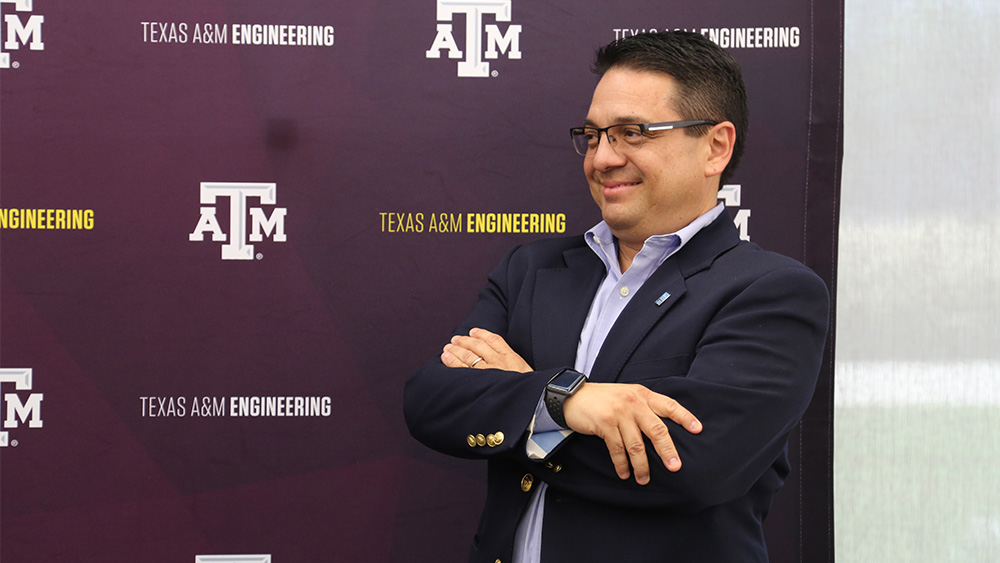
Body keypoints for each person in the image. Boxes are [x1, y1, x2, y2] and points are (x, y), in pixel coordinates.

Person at [404, 30, 829, 563]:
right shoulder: (532, 270)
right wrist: (572, 400)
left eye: (633, 133)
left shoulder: (771, 293)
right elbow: (433, 401)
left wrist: (523, 402)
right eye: (594, 134)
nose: (603, 157)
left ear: (715, 146)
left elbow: (689, 469)